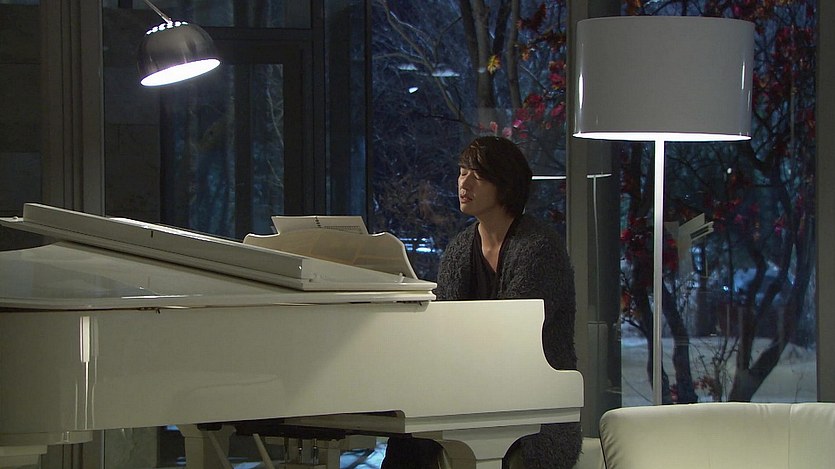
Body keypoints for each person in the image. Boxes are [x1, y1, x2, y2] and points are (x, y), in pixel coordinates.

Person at [382, 136, 582, 469]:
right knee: (408, 436)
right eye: (462, 172)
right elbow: (443, 330)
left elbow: (512, 334)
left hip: (534, 402)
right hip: (472, 393)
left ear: (505, 184)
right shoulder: (460, 247)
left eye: (478, 175)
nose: (464, 183)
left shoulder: (538, 247)